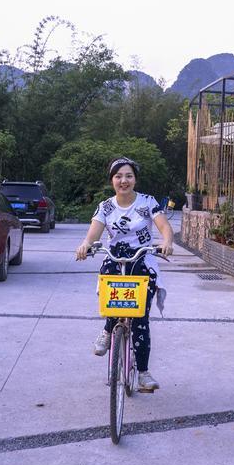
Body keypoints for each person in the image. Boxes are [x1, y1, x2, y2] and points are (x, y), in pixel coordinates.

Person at [75, 157, 174, 391]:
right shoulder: (106, 206)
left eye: (128, 175)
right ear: (112, 180)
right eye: (118, 176)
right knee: (112, 290)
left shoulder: (147, 202)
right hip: (115, 258)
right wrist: (85, 245)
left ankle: (143, 372)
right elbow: (93, 234)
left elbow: (164, 227)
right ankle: (108, 329)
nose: (124, 180)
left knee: (140, 317)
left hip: (142, 259)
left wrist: (167, 242)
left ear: (135, 179)